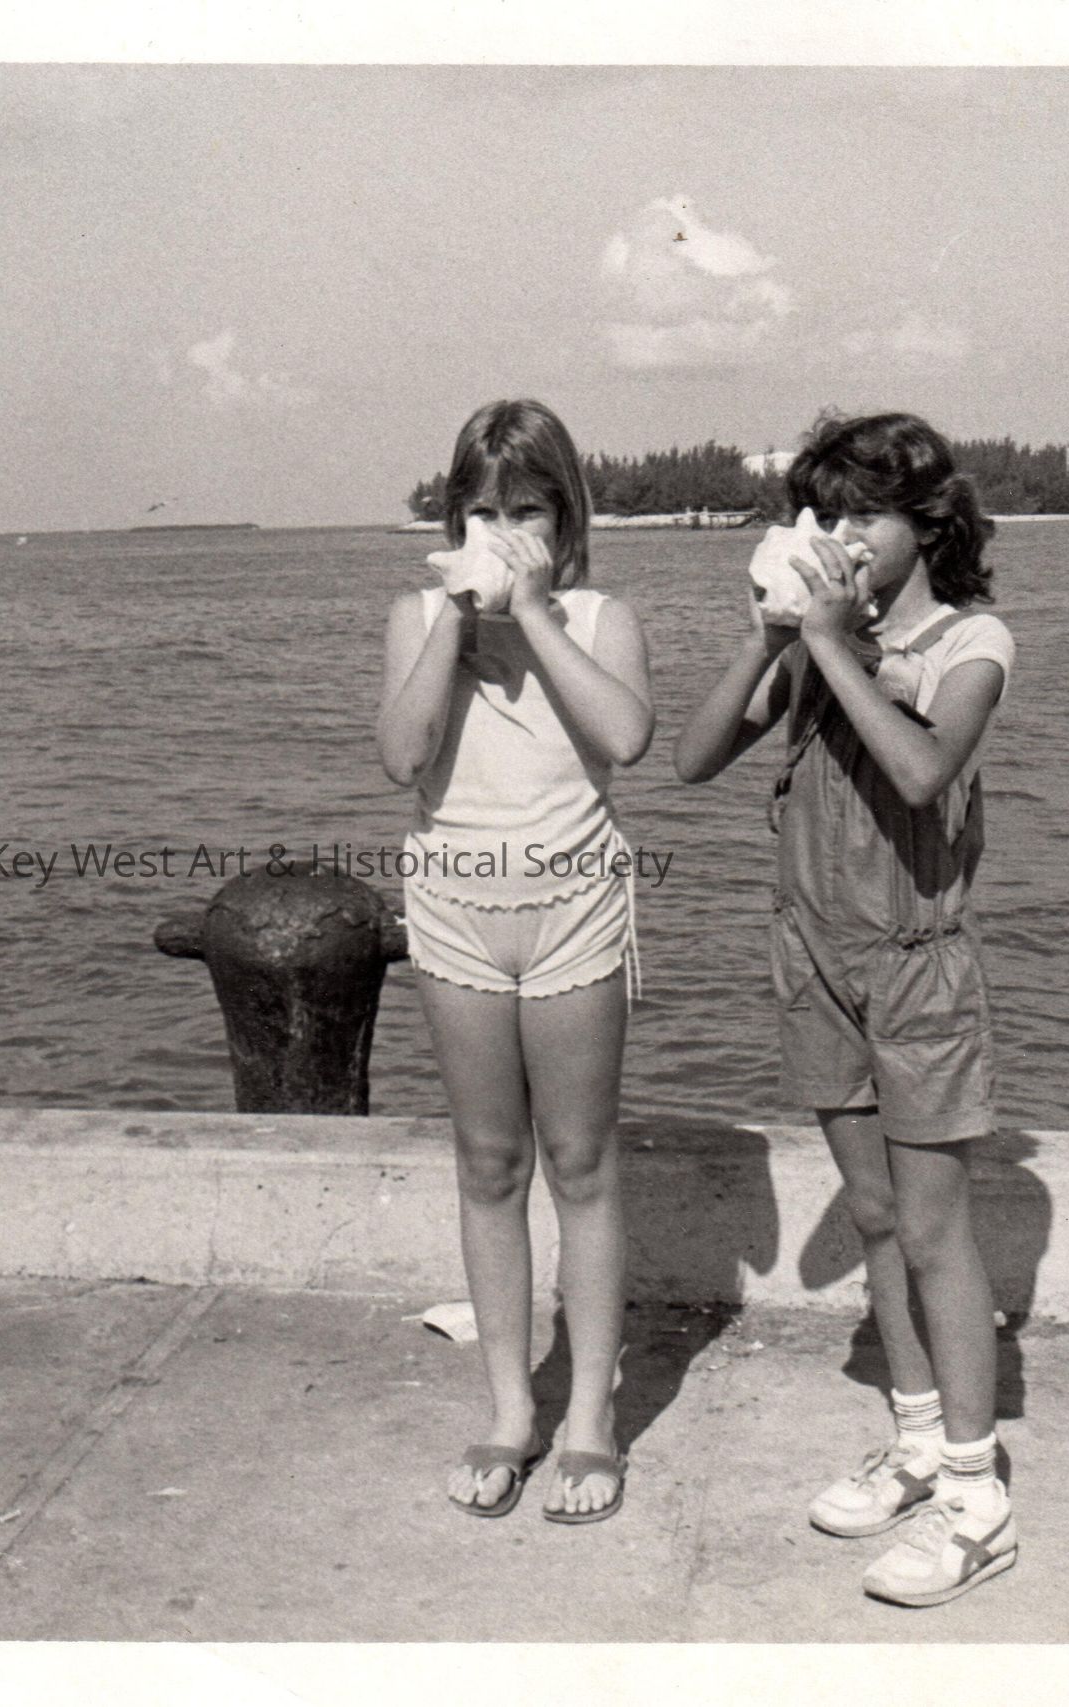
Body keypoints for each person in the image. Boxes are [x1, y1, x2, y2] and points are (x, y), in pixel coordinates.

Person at [673, 411, 1018, 1605]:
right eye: (824, 516)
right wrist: (770, 637)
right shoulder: (817, 644)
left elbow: (922, 772)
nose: (842, 536)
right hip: (814, 954)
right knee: (874, 1214)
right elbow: (693, 760)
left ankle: (977, 1494)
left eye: (866, 515)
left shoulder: (971, 641)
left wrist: (830, 643)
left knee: (933, 1231)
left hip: (916, 967)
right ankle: (918, 1441)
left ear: (929, 524)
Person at [377, 399, 654, 1523]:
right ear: (455, 518)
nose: (504, 532)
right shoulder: (416, 617)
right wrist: (455, 620)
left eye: (528, 511)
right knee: (489, 1163)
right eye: (485, 513)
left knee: (581, 1163)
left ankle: (590, 1415)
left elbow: (626, 737)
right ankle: (508, 1407)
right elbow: (402, 755)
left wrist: (533, 611)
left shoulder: (599, 617)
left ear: (565, 517)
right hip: (455, 912)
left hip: (574, 908)